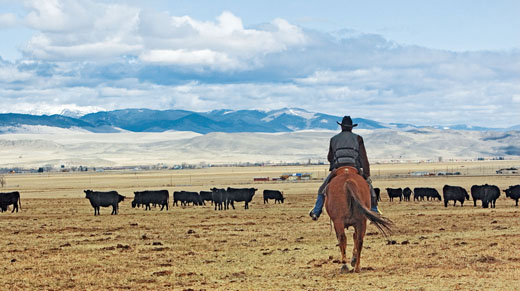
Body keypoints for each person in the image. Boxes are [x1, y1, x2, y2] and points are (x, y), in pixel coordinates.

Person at [309, 116, 380, 221]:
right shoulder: (358, 138)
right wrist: (366, 174)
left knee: (322, 189)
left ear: (341, 127)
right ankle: (374, 209)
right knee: (369, 186)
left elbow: (329, 157)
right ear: (351, 128)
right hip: (354, 168)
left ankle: (316, 211)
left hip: (338, 168)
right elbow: (363, 158)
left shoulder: (333, 139)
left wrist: (335, 164)